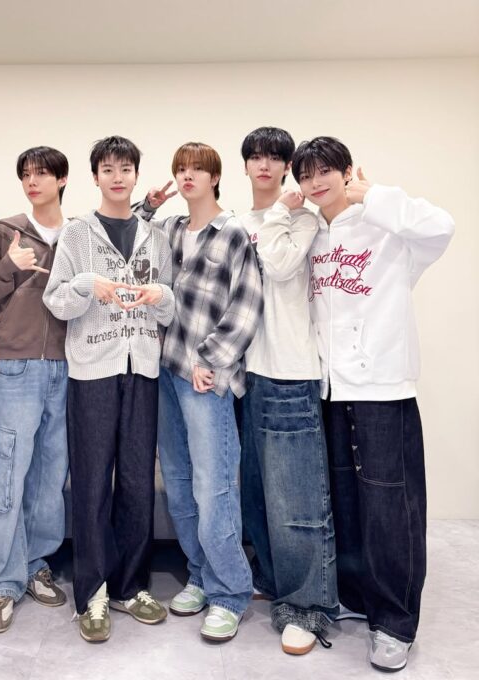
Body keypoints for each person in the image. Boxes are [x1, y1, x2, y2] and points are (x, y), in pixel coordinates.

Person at [293, 136, 454, 672]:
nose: (316, 183)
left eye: (325, 171)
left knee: (391, 509)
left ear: (346, 172)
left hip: (383, 389)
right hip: (330, 390)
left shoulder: (388, 225)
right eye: (306, 175)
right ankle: (357, 597)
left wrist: (378, 196)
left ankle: (395, 623)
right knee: (344, 503)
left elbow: (442, 227)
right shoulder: (312, 236)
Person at [43, 135, 175, 643]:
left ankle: (131, 586)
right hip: (92, 372)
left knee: (137, 482)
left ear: (136, 175)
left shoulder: (155, 237)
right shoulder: (78, 234)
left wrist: (159, 295)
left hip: (143, 369)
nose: (117, 178)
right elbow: (57, 300)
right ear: (95, 176)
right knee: (93, 482)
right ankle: (93, 592)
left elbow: (169, 309)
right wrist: (86, 286)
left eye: (126, 169)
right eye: (108, 169)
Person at [141, 142, 262, 642]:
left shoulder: (232, 232)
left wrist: (210, 360)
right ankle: (200, 574)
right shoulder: (169, 229)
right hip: (167, 371)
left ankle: (230, 592)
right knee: (179, 481)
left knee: (214, 487)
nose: (187, 176)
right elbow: (125, 245)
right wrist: (148, 205)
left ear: (215, 178)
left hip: (206, 378)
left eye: (197, 169)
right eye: (181, 169)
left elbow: (247, 305)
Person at [237, 126, 338, 655]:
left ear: (286, 168)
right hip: (245, 372)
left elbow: (277, 267)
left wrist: (280, 211)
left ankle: (307, 606)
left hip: (289, 371)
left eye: (274, 158)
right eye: (255, 157)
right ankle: (273, 579)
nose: (264, 165)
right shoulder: (237, 222)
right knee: (255, 491)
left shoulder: (303, 220)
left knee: (295, 498)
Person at [0, 146, 70, 634]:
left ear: (62, 180)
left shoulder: (78, 235)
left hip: (68, 370)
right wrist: (10, 264)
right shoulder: (3, 231)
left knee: (50, 478)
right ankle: (1, 582)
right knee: (5, 475)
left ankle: (36, 565)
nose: (32, 181)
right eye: (26, 174)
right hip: (15, 367)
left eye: (42, 174)